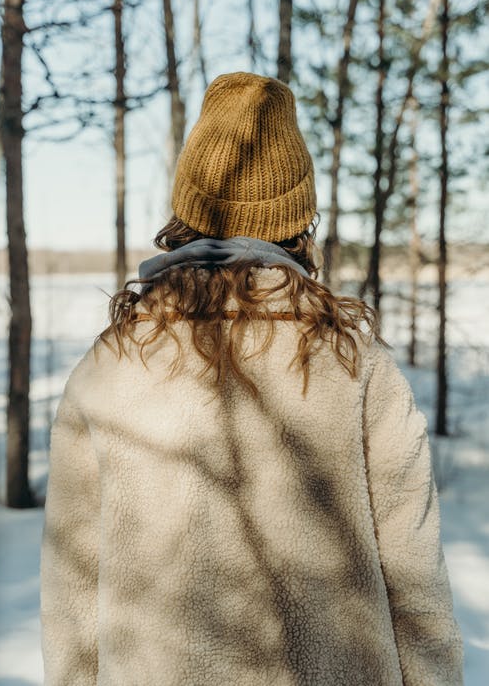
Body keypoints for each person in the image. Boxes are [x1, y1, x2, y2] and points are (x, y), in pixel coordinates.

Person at [40, 71, 464, 686]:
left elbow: (72, 601)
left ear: (187, 210)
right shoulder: (355, 365)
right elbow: (417, 588)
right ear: (298, 220)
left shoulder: (110, 368)